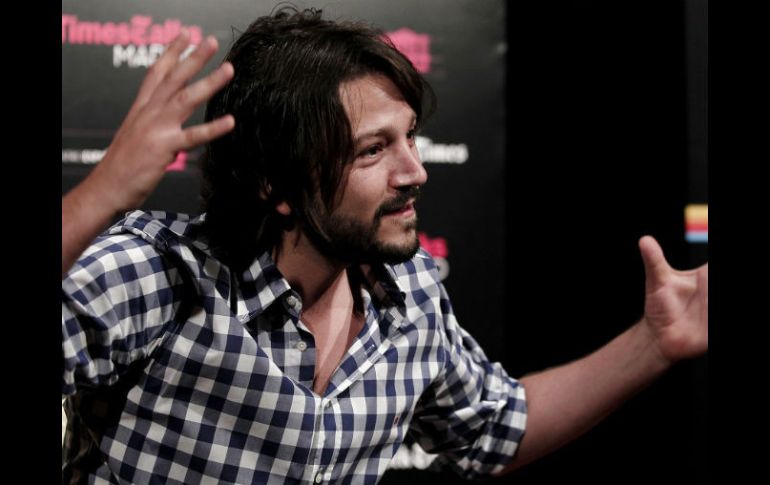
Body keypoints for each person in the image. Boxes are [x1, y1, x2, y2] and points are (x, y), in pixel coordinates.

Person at [61, 7, 708, 484]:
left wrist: (654, 341)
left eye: (410, 136)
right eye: (373, 150)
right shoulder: (163, 275)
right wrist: (102, 194)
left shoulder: (411, 293)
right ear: (275, 183)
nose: (415, 171)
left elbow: (496, 428)